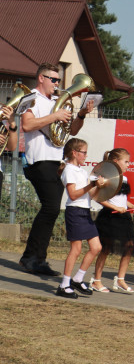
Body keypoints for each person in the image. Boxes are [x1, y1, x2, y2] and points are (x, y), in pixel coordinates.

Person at [20, 63, 95, 277]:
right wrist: (55, 116)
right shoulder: (30, 97)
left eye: (58, 80)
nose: (57, 84)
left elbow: (70, 131)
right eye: (53, 79)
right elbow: (27, 125)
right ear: (40, 78)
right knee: (51, 208)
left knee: (51, 210)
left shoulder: (57, 102)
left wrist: (80, 114)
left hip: (56, 160)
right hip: (38, 160)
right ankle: (33, 258)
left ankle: (34, 257)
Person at [55, 138, 107, 299]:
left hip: (85, 211)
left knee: (96, 247)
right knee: (76, 249)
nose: (85, 155)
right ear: (74, 153)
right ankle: (64, 285)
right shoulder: (69, 170)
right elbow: (73, 194)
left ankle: (77, 279)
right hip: (75, 211)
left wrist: (102, 187)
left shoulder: (82, 171)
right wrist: (92, 185)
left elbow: (91, 194)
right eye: (83, 152)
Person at [93, 148, 134, 294]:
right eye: (126, 162)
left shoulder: (124, 178)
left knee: (129, 247)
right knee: (105, 249)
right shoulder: (106, 177)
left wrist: (131, 206)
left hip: (123, 217)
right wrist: (115, 208)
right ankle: (96, 280)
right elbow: (99, 198)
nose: (128, 165)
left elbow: (122, 199)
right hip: (110, 216)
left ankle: (120, 279)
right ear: (115, 162)